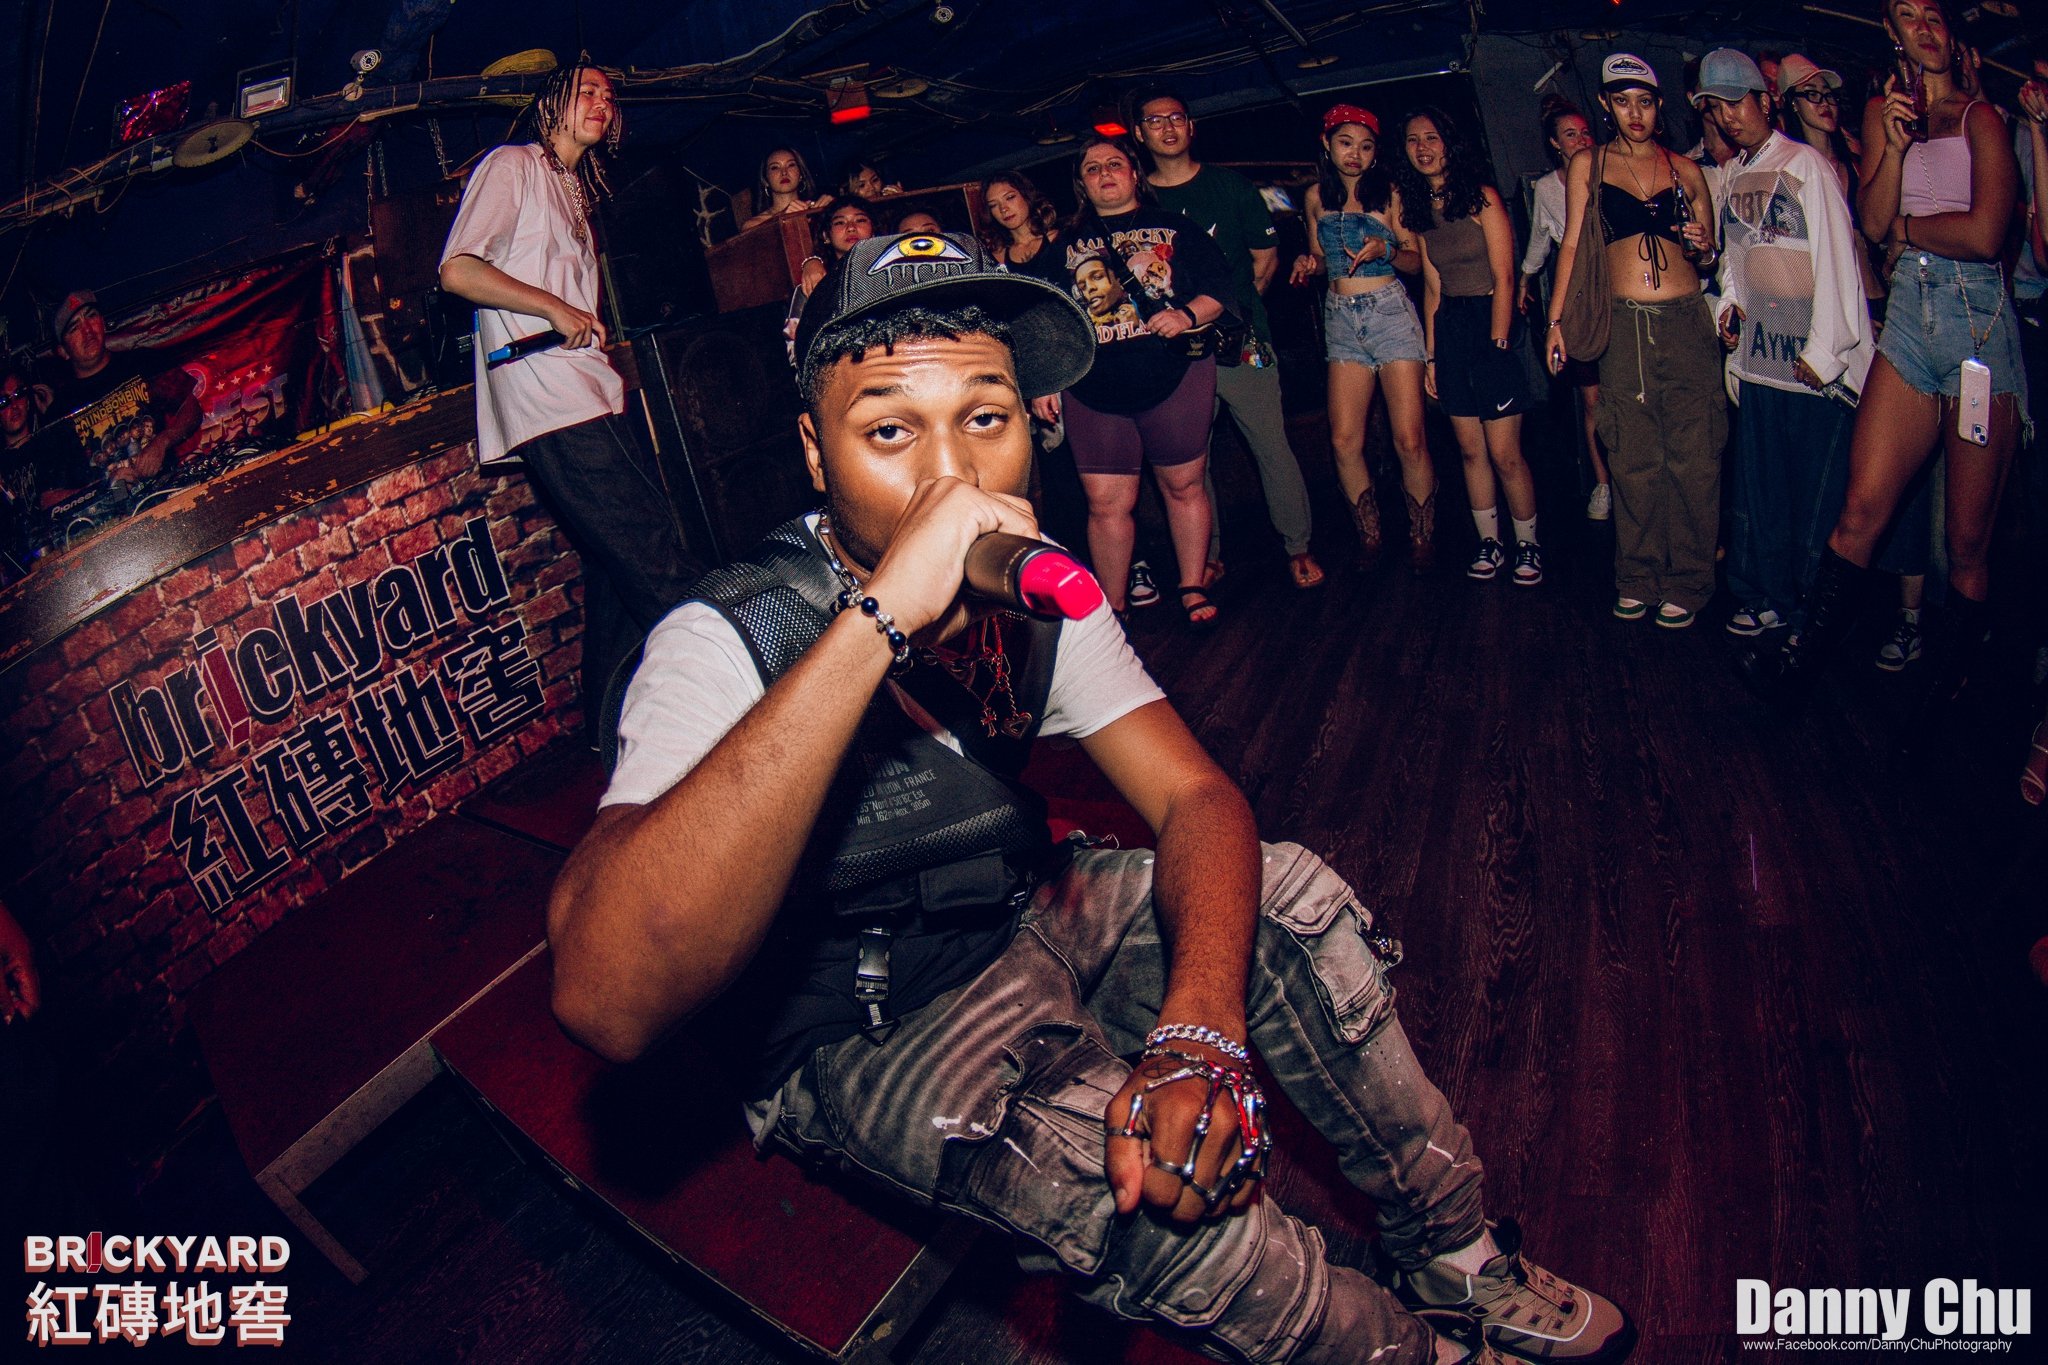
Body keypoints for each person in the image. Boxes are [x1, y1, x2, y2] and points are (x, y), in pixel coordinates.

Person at [545, 229, 1635, 1365]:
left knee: (1291, 900)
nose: (953, 479)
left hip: (1023, 908)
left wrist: (1199, 1031)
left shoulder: (1033, 585)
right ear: (816, 454)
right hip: (870, 1020)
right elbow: (607, 999)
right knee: (1166, 1206)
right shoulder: (724, 634)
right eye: (889, 431)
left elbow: (1198, 799)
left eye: (985, 416)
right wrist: (878, 622)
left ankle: (1454, 1257)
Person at [1740, 0, 2025, 717]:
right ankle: (1798, 671)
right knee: (1861, 508)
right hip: (1907, 320)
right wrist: (1894, 151)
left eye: (1934, 13)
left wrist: (1908, 227)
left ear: (1948, 31)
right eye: (1907, 14)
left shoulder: (1981, 120)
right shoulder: (1881, 115)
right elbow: (1869, 223)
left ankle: (1940, 704)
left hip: (1976, 326)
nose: (1923, 26)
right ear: (1892, 33)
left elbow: (1987, 234)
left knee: (1965, 541)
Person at [438, 62, 701, 740]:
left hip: (586, 384)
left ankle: (609, 728)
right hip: (550, 391)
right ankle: (726, 694)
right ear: (549, 103)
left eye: (608, 95)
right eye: (585, 90)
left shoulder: (574, 188)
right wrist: (554, 307)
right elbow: (459, 269)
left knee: (616, 567)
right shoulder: (513, 164)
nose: (601, 102)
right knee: (653, 547)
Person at [1015, 137, 1236, 626]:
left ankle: (1192, 586)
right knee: (1106, 503)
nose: (1105, 173)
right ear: (1082, 184)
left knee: (1184, 486)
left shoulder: (1176, 227)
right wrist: (1043, 381)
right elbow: (1043, 317)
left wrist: (1184, 315)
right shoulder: (1063, 247)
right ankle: (1111, 609)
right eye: (1093, 168)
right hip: (1094, 388)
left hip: (1174, 376)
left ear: (1134, 173)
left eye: (1114, 163)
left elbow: (1220, 289)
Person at [1696, 49, 1876, 647]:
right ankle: (1764, 597)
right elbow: (1736, 261)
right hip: (1759, 362)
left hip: (1810, 368)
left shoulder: (1806, 165)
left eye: (1737, 102)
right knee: (1761, 491)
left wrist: (1825, 352)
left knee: (1813, 498)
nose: (1729, 116)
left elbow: (1837, 260)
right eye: (1717, 108)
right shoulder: (1735, 175)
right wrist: (1729, 310)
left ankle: (1809, 617)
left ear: (1765, 100)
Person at [1547, 54, 1725, 627]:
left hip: (1686, 320)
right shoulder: (1589, 163)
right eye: (1622, 102)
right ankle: (1638, 575)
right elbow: (1571, 244)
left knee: (1694, 456)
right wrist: (1556, 321)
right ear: (1606, 106)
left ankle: (1690, 580)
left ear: (1659, 105)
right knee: (1632, 455)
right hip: (1623, 324)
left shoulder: (1686, 169)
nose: (1635, 113)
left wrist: (1704, 246)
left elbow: (1709, 257)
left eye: (1644, 102)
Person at [1136, 88, 1325, 589]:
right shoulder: (1138, 202)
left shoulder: (1231, 187)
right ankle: (1207, 556)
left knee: (1271, 447)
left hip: (1241, 345)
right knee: (1189, 463)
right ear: (1139, 133)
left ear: (1191, 126)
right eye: (1155, 120)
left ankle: (1298, 547)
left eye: (1177, 117)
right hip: (1172, 354)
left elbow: (1265, 261)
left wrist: (1227, 314)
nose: (1168, 127)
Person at [1287, 103, 1438, 574]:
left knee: (1408, 438)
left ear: (1376, 153)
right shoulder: (1315, 196)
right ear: (1327, 145)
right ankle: (1370, 537)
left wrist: (1386, 249)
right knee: (1343, 440)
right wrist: (1309, 264)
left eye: (1366, 146)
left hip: (1389, 313)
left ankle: (1422, 535)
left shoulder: (1390, 194)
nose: (1355, 154)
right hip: (1341, 320)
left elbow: (1416, 261)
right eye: (1346, 143)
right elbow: (1320, 257)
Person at [1396, 107, 1543, 586]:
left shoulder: (1482, 197)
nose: (1422, 148)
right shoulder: (1420, 210)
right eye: (1413, 140)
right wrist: (1432, 357)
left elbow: (1505, 275)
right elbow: (1432, 287)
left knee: (1505, 452)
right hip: (1452, 327)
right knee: (1470, 450)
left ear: (1449, 143)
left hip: (1489, 321)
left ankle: (1528, 545)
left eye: (1431, 137)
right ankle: (1490, 543)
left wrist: (1499, 343)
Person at [1518, 97, 1612, 522]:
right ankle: (1603, 485)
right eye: (1570, 135)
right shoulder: (1547, 189)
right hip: (1579, 300)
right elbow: (1541, 241)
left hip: (1619, 294)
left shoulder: (1612, 171)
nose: (1581, 140)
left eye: (1585, 132)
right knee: (1593, 399)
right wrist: (1524, 278)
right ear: (1555, 144)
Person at [38, 290, 203, 485]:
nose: (87, 330)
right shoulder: (59, 413)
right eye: (74, 327)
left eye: (91, 316)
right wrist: (105, 489)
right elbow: (49, 494)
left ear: (103, 323)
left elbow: (191, 409)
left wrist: (162, 441)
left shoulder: (142, 362)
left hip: (169, 489)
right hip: (109, 505)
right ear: (63, 351)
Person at [786, 199, 878, 363]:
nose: (851, 227)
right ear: (826, 236)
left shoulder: (890, 276)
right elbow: (796, 349)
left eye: (860, 220)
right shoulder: (813, 284)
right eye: (840, 222)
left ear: (873, 232)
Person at [982, 171, 1062, 269]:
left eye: (1010, 197)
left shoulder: (1057, 240)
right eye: (993, 205)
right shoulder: (998, 259)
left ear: (1026, 196)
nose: (1003, 209)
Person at [741, 146, 832, 230]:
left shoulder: (815, 211)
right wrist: (782, 218)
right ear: (765, 180)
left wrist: (833, 209)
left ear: (801, 174)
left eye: (791, 165)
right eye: (775, 167)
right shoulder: (753, 225)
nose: (784, 172)